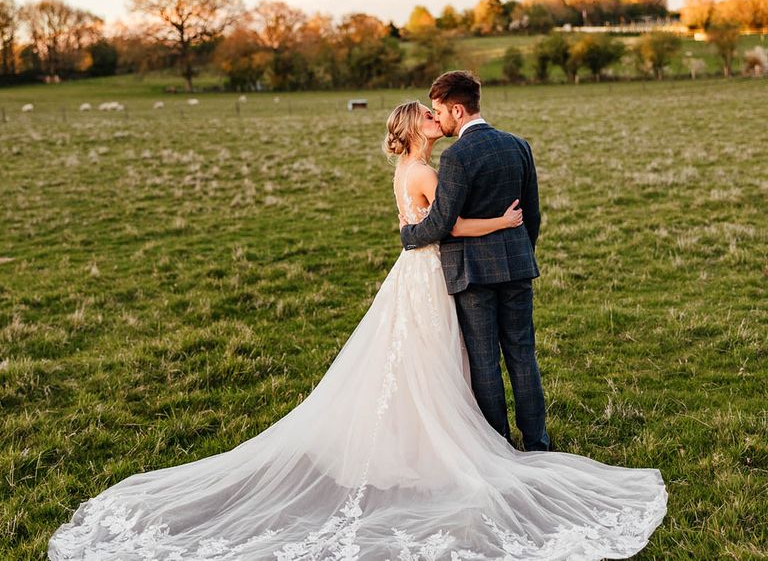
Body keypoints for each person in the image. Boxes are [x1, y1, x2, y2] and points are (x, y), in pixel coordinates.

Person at [48, 96, 667, 561]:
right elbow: (443, 228)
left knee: (441, 360)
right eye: (425, 117)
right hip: (435, 268)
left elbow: (427, 227)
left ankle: (471, 435)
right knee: (448, 360)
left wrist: (440, 230)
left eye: (434, 113)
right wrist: (505, 224)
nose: (433, 120)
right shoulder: (430, 171)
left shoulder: (420, 169)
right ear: (416, 129)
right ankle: (487, 442)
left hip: (424, 274)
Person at [399, 70, 549, 452]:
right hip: (517, 267)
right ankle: (538, 443)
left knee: (484, 362)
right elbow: (532, 215)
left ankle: (499, 445)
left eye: (439, 111)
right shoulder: (519, 145)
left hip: (473, 273)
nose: (438, 118)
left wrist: (408, 235)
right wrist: (519, 251)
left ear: (458, 110)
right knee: (522, 355)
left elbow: (442, 223)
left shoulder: (456, 157)